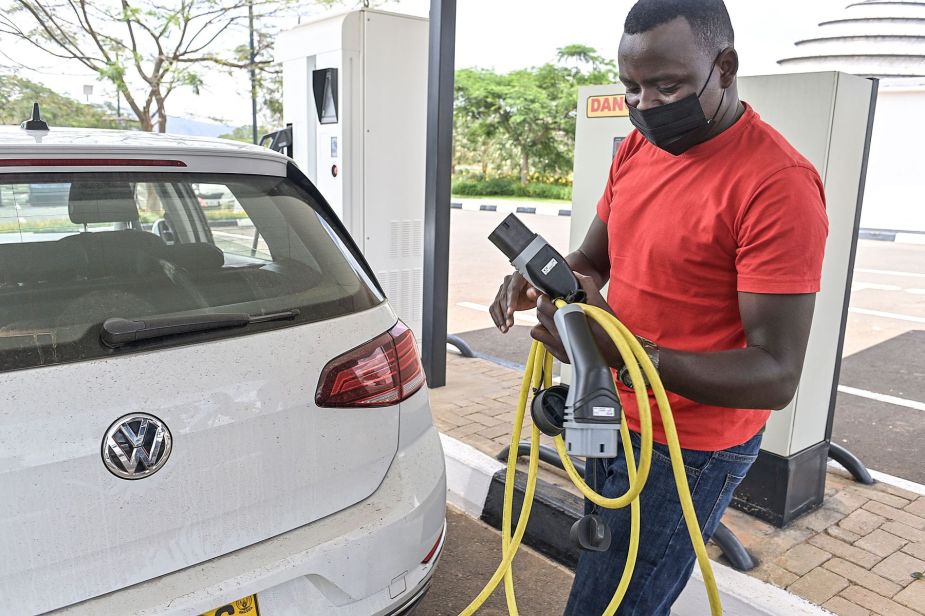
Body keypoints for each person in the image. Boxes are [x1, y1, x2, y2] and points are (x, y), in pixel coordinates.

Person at [488, 0, 829, 613]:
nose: (645, 106)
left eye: (667, 87)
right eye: (631, 88)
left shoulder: (777, 184)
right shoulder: (638, 150)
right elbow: (593, 260)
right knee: (604, 575)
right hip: (608, 411)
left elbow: (775, 374)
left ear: (725, 67)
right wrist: (542, 277)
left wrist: (623, 354)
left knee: (614, 604)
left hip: (687, 447)